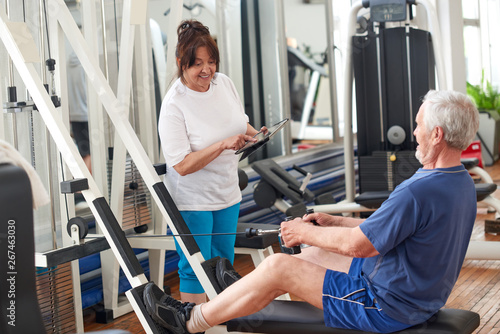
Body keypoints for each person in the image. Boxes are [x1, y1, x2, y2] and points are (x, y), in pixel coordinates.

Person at [145, 89, 480, 333]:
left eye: (419, 125)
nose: (415, 132)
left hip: (385, 305)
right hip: (412, 290)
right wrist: (334, 222)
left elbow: (359, 246)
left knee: (278, 264)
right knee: (313, 252)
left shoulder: (418, 190)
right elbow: (393, 228)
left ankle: (189, 321)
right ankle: (243, 292)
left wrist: (303, 230)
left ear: (437, 134)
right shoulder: (457, 181)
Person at [157, 19, 266, 305]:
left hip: (227, 192)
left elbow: (240, 124)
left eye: (211, 62)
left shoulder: (224, 83)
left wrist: (259, 135)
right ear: (181, 62)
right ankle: (196, 326)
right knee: (195, 268)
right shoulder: (173, 105)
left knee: (223, 264)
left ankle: (220, 322)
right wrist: (221, 145)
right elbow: (181, 164)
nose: (207, 70)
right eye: (197, 64)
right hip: (193, 200)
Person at [67, 50, 92, 174]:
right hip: (87, 114)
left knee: (83, 152)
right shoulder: (85, 65)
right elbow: (88, 91)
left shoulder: (67, 64)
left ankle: (81, 186)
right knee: (90, 153)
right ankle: (87, 186)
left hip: (74, 114)